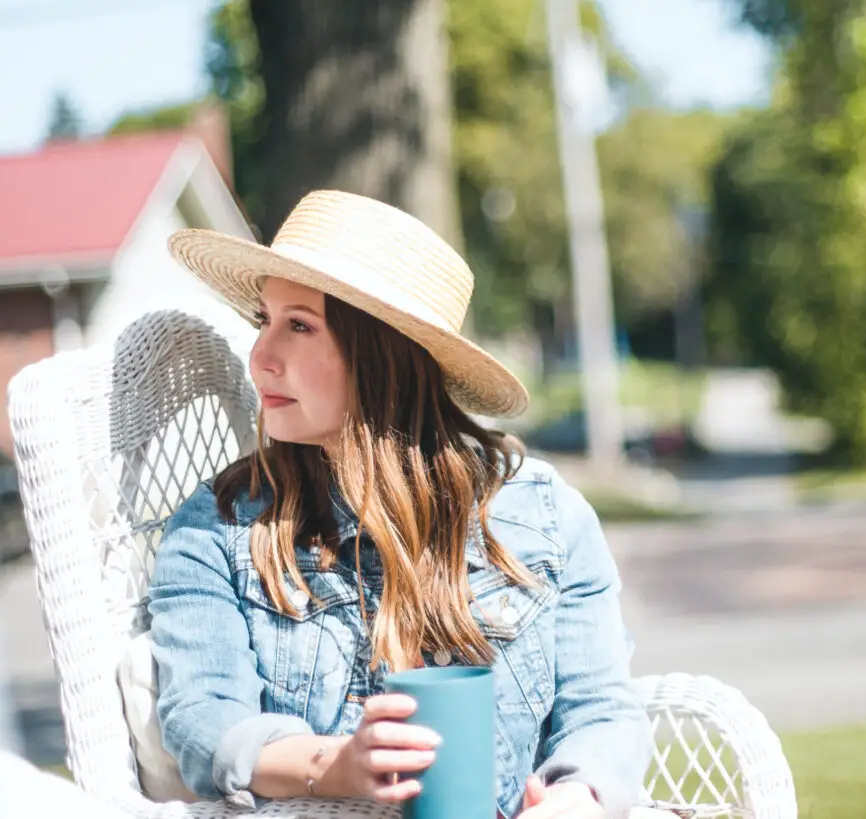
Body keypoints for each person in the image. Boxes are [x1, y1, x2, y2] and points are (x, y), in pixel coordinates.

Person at [149, 190, 651, 819]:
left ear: (382, 356)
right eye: (264, 321)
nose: (261, 358)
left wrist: (575, 800)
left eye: (298, 325)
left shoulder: (547, 518)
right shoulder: (218, 528)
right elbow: (203, 721)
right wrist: (334, 766)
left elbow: (603, 710)